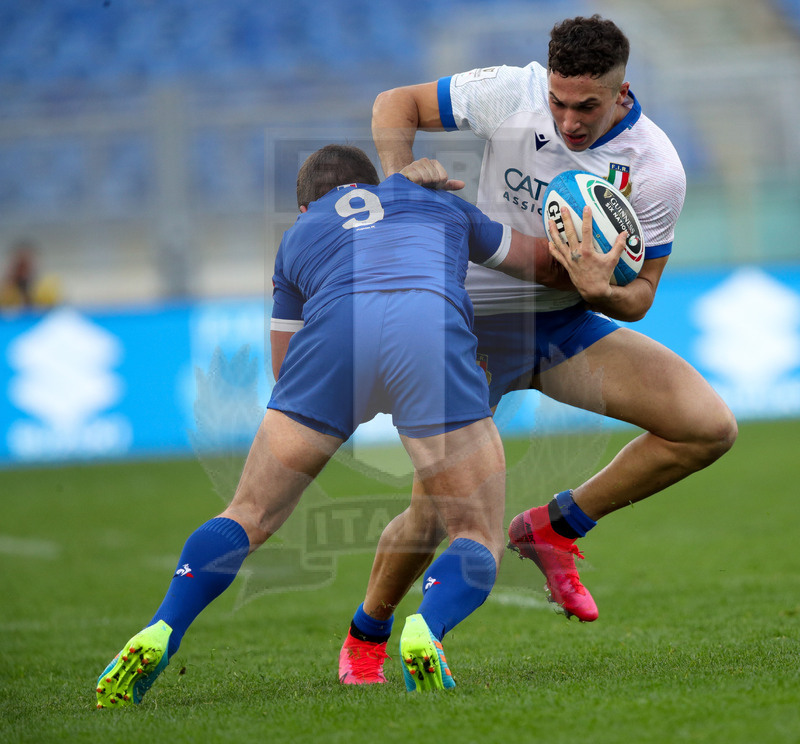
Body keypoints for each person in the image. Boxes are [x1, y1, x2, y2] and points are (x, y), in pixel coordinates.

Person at [95, 144, 574, 706]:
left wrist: (352, 399)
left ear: (306, 207)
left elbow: (285, 371)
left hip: (333, 340)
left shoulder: (299, 236)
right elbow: (540, 265)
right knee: (476, 532)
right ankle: (427, 627)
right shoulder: (436, 201)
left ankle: (163, 627)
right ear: (374, 180)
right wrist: (598, 255)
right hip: (429, 328)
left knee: (247, 513)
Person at [338, 14, 738, 684]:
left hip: (563, 328)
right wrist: (400, 180)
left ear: (622, 92)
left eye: (587, 105)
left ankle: (556, 527)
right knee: (435, 510)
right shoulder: (512, 91)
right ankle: (367, 636)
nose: (569, 120)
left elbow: (641, 294)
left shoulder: (655, 169)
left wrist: (598, 291)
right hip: (468, 327)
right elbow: (394, 103)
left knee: (706, 428)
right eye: (559, 101)